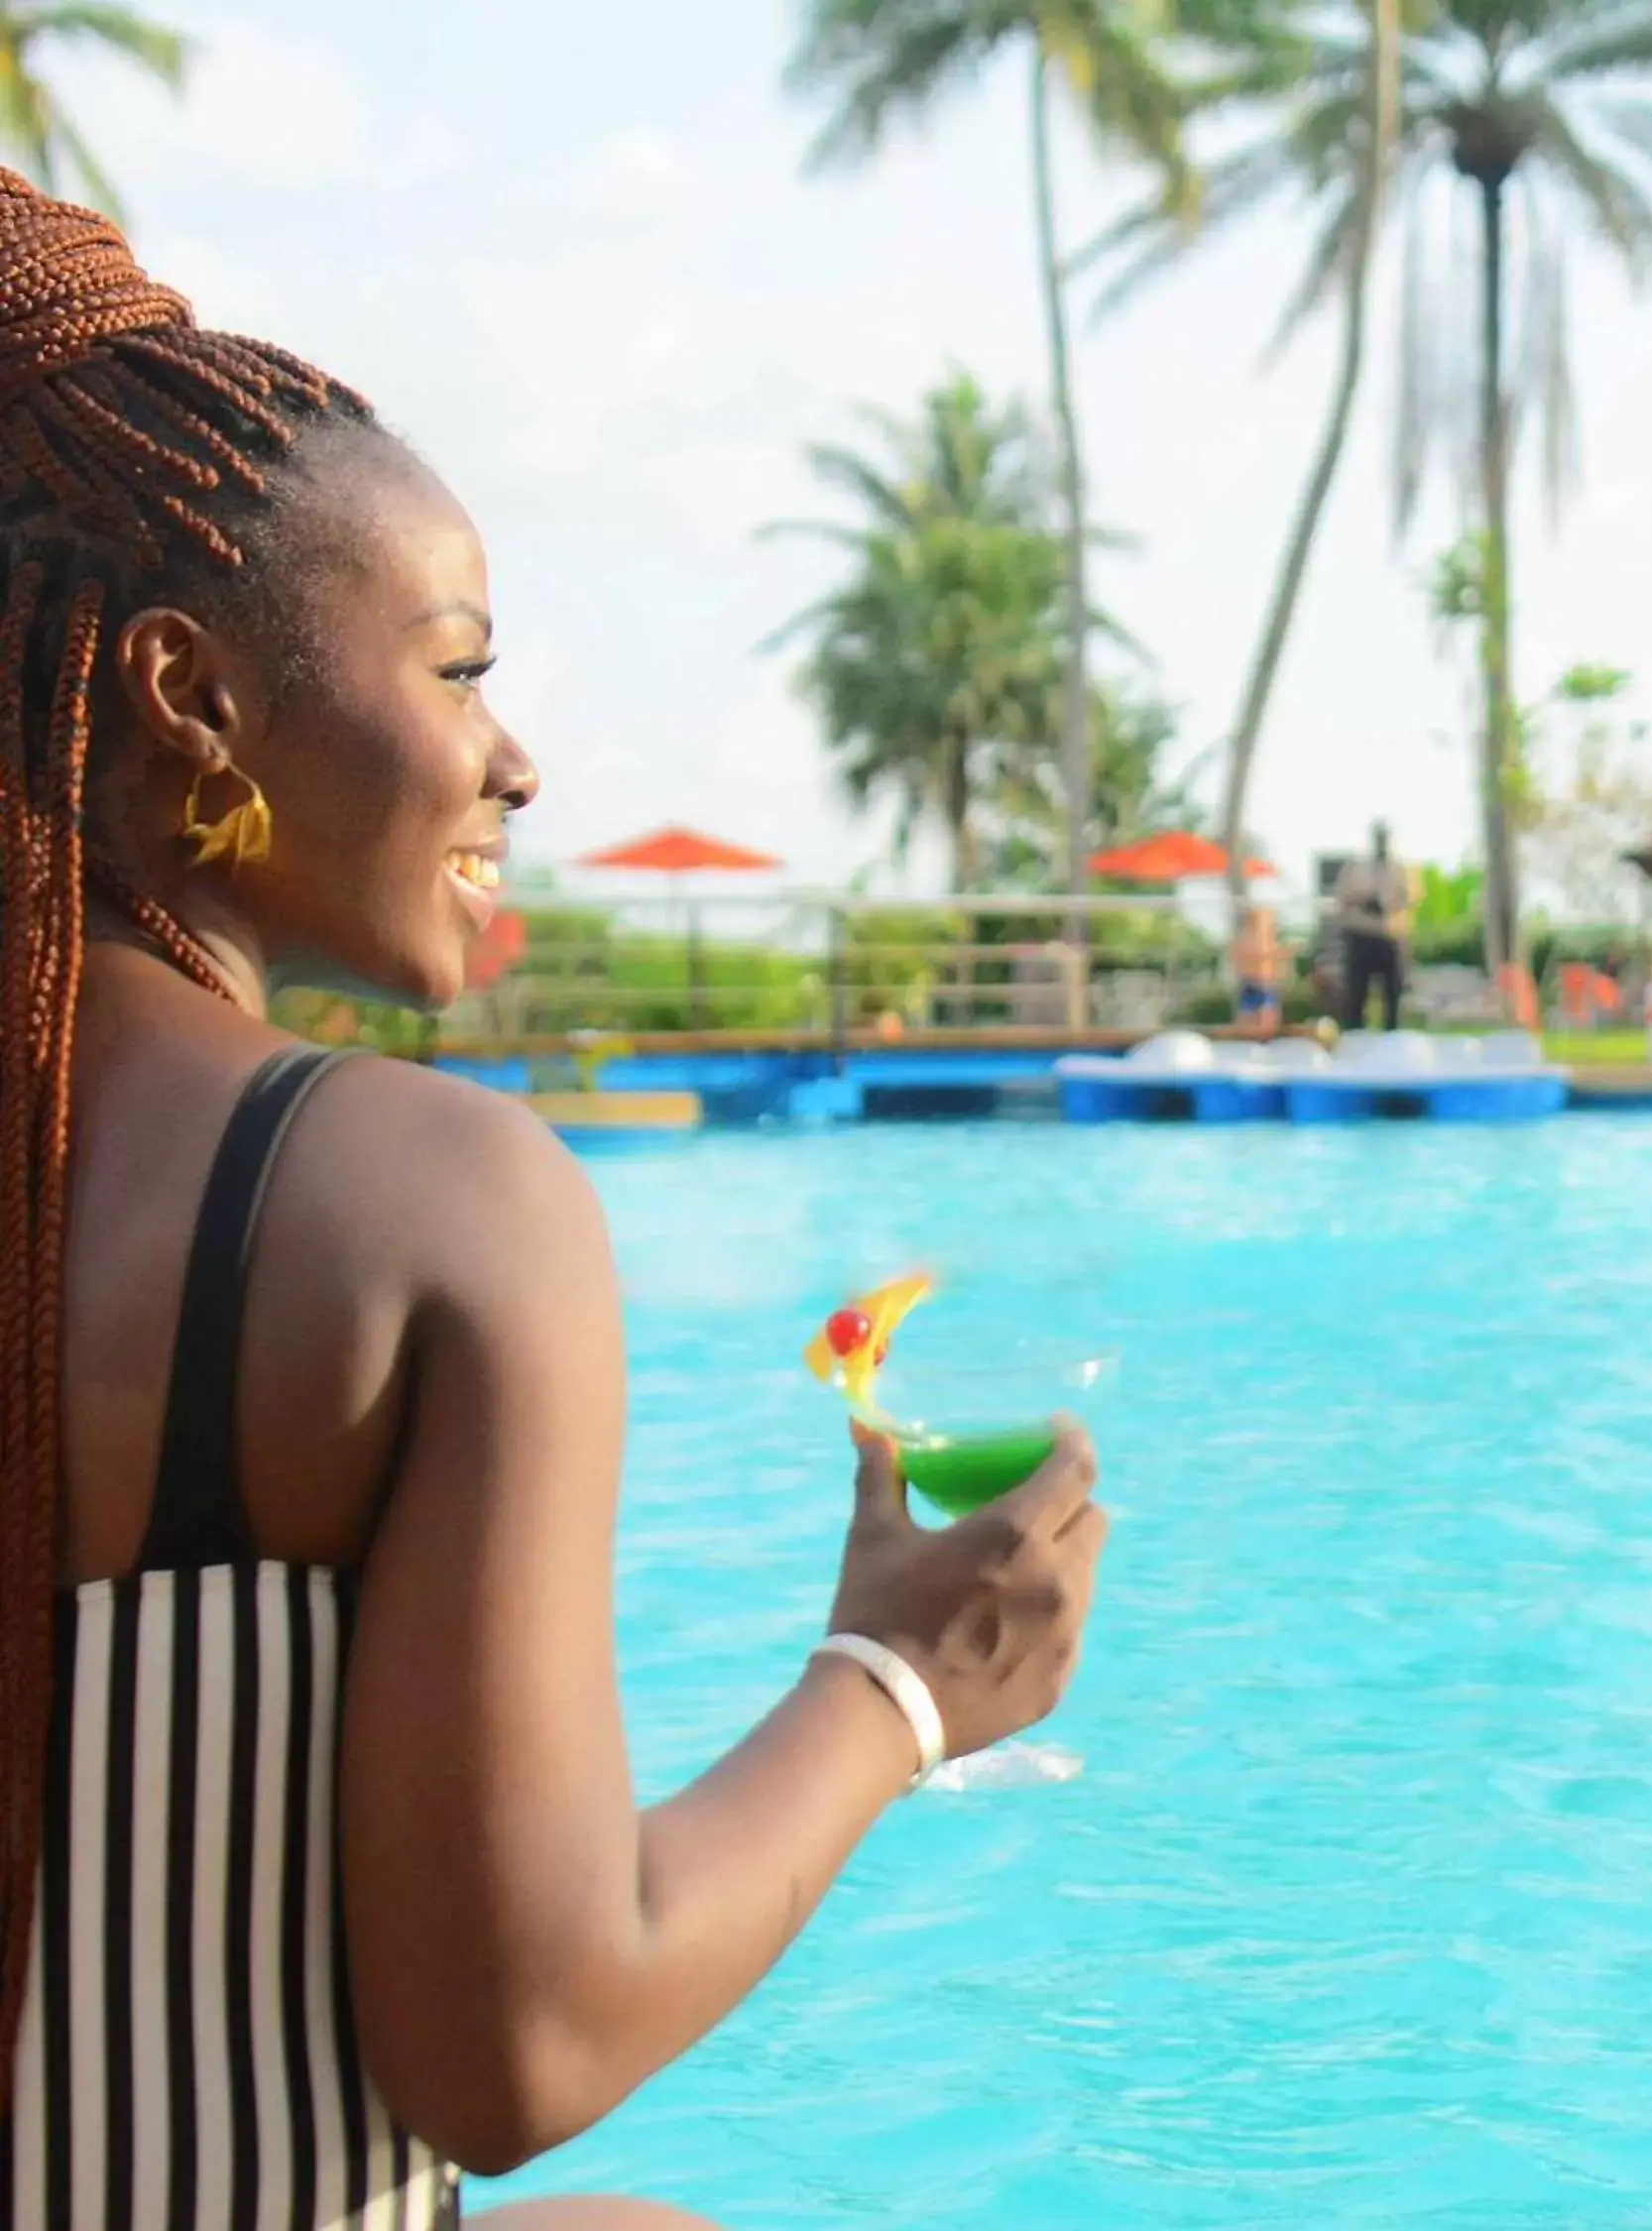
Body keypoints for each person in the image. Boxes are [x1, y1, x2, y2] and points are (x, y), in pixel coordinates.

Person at [0, 176, 1108, 2224]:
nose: (512, 762)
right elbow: (518, 2052)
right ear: (186, 698)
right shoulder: (400, 1205)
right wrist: (900, 1683)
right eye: (454, 667)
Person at [1332, 822, 1412, 1032]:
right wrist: (1363, 902)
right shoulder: (1356, 867)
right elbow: (1341, 901)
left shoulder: (1399, 868)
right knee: (1356, 994)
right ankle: (1354, 1037)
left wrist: (1386, 905)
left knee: (1393, 994)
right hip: (1361, 936)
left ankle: (1392, 1037)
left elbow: (1407, 899)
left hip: (1389, 937)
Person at [1230, 902, 1288, 1037]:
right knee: (1250, 1019)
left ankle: (1260, 1034)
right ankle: (1254, 1034)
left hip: (1265, 984)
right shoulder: (1247, 941)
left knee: (1266, 1019)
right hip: (1253, 983)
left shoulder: (1269, 941)